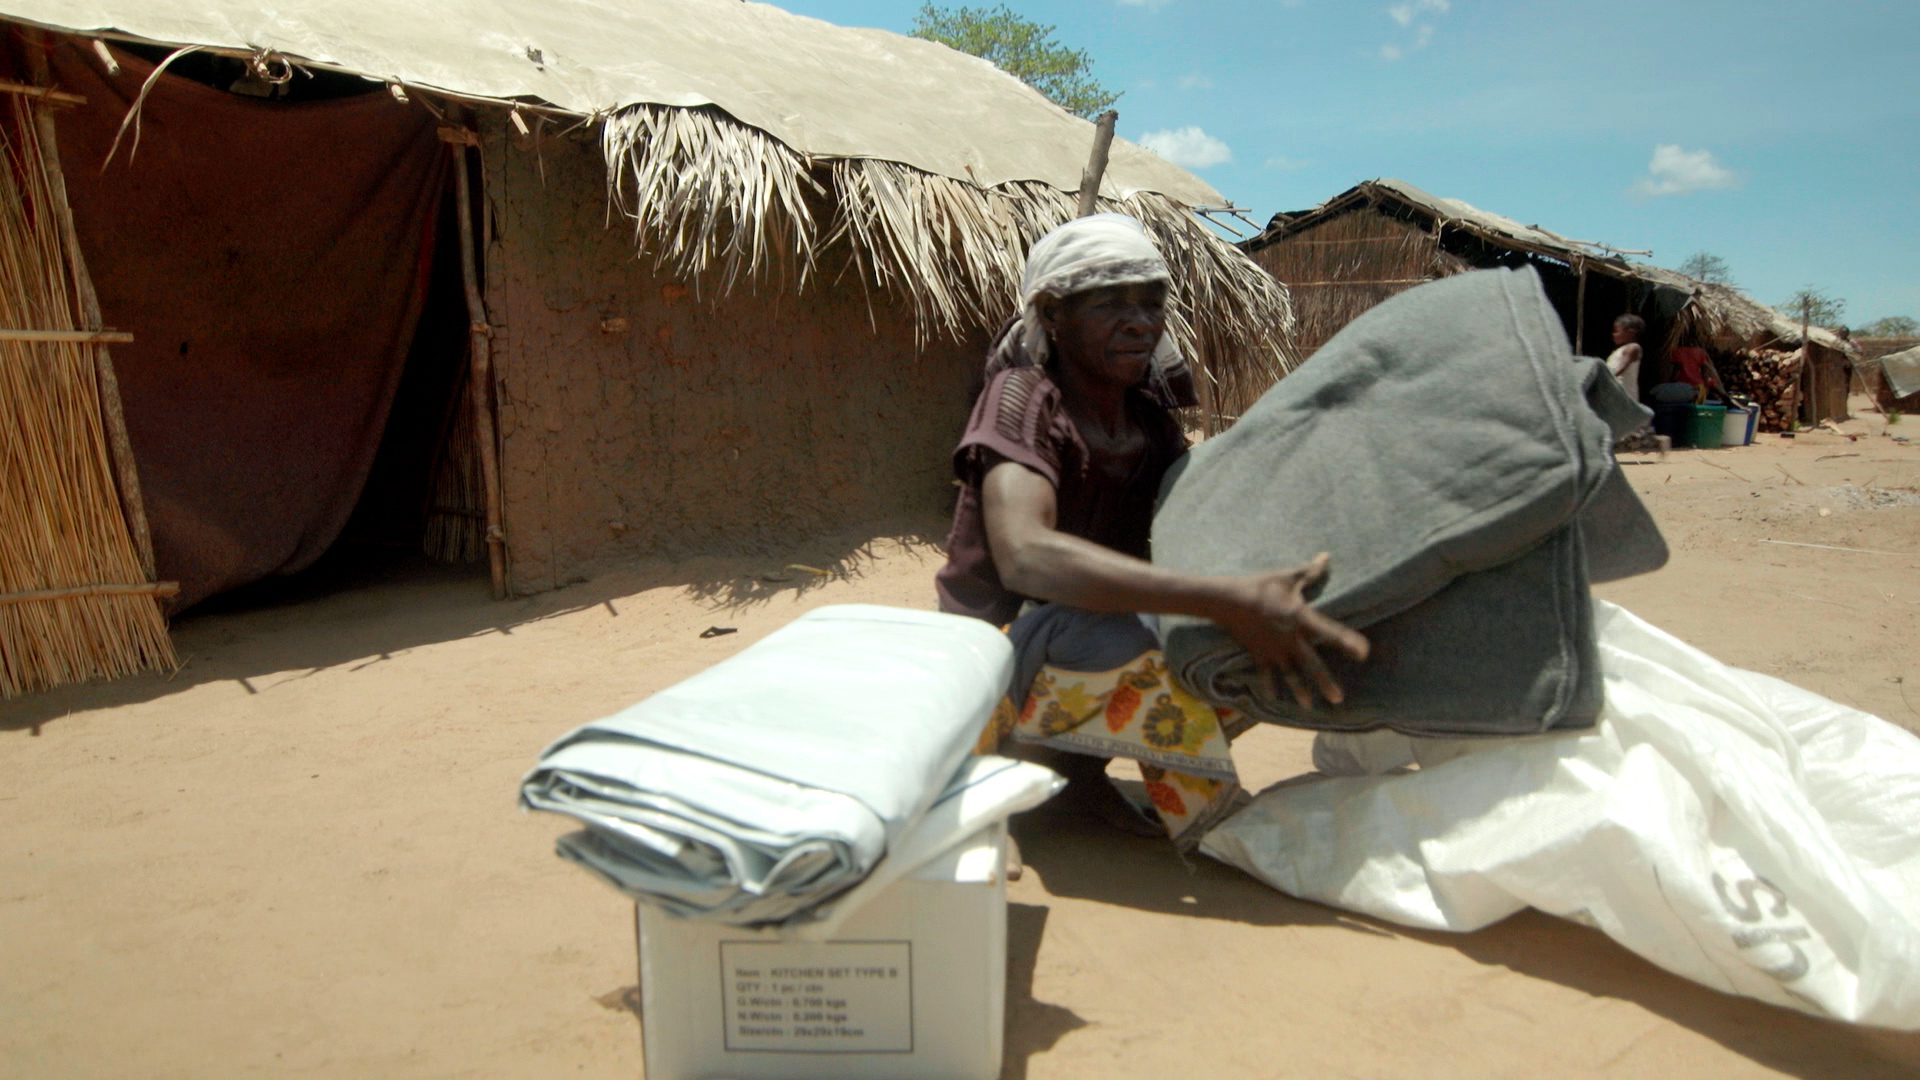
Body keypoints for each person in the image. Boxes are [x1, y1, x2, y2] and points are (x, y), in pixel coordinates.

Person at [935, 214, 1368, 842]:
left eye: (1151, 302)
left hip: (1083, 629)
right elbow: (1026, 558)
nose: (1140, 321)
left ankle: (1073, 778)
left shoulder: (1147, 419)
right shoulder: (1023, 397)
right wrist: (1225, 597)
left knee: (1245, 646)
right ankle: (1216, 832)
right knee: (1167, 648)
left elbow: (1201, 518)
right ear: (1053, 315)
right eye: (1110, 305)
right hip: (996, 648)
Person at [1605, 314, 1645, 402]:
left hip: (1624, 395)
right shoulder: (1619, 351)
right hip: (1615, 392)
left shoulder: (1633, 348)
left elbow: (1621, 367)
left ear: (1630, 333)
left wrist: (1604, 377)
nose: (1614, 334)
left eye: (1617, 331)